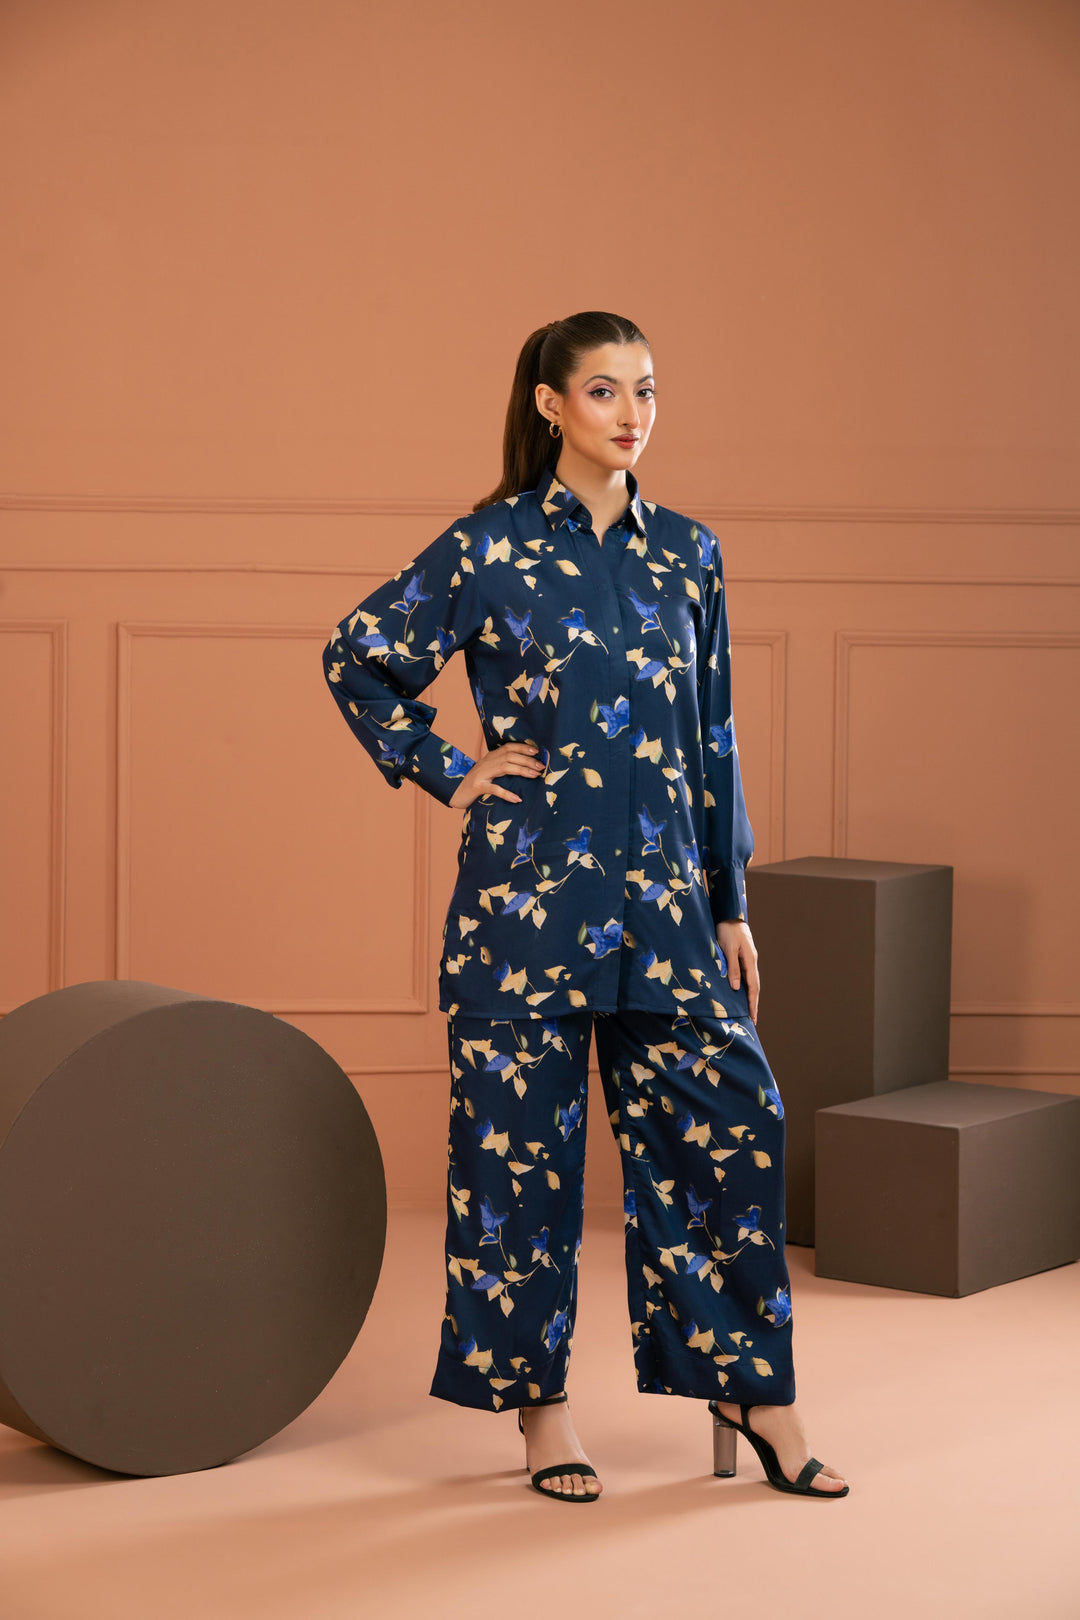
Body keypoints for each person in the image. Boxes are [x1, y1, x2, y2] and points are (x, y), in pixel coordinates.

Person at [321, 310, 849, 1503]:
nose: (632, 412)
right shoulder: (489, 548)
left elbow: (712, 739)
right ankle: (541, 1414)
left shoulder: (690, 555)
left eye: (647, 389)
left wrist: (731, 901)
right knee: (520, 1172)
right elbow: (359, 655)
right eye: (605, 390)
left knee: (732, 1126)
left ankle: (751, 1391)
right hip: (526, 915)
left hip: (666, 909)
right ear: (551, 404)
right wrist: (449, 769)